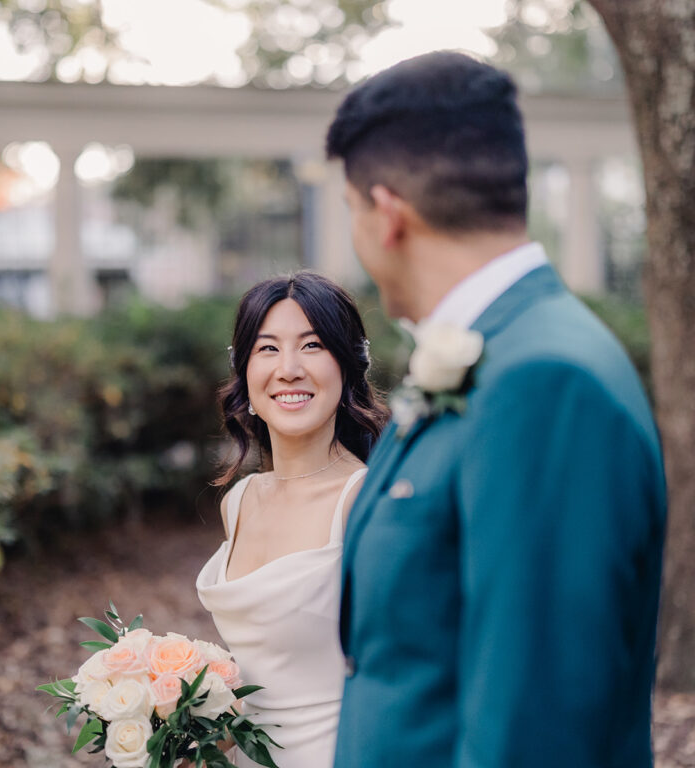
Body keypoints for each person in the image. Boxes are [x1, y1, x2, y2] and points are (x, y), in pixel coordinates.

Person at [326, 51, 668, 767]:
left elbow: (536, 732)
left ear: (387, 214)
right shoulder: (498, 350)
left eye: (351, 209)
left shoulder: (543, 382)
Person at [196, 271, 388, 768]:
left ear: (347, 366)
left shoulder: (365, 499)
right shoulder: (238, 502)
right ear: (245, 371)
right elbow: (257, 675)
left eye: (312, 346)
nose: (288, 369)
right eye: (268, 349)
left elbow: (398, 669)